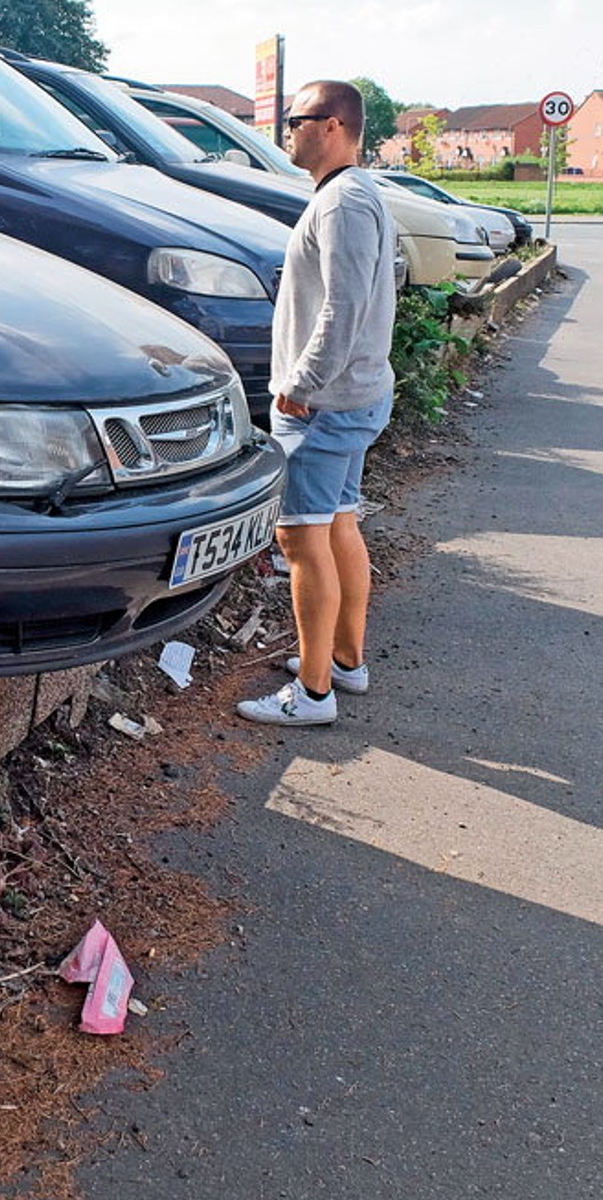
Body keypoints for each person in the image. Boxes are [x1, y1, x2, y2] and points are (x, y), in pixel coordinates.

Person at [236, 80, 397, 728]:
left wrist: (299, 387)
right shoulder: (353, 195)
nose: (287, 134)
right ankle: (342, 662)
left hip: (325, 405)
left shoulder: (343, 204)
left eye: (297, 121)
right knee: (338, 526)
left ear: (332, 125)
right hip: (352, 398)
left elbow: (344, 306)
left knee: (300, 539)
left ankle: (312, 693)